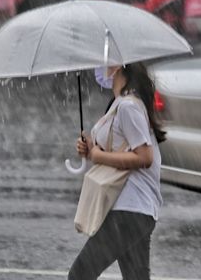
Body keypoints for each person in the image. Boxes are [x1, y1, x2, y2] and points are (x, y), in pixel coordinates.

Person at [69, 62, 166, 280]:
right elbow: (121, 147)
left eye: (105, 62)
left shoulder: (128, 107)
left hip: (129, 209)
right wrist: (90, 147)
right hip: (134, 210)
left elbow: (144, 157)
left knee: (80, 275)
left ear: (119, 67)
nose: (100, 67)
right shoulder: (119, 104)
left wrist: (97, 155)